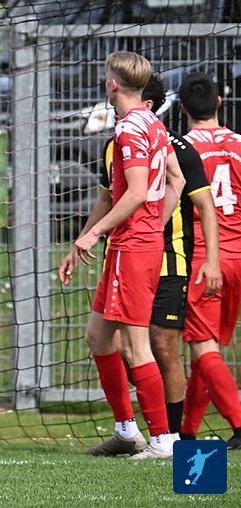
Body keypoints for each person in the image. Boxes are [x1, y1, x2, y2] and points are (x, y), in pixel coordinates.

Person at [59, 74, 222, 455]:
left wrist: (209, 258)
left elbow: (193, 200)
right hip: (128, 250)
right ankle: (130, 431)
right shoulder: (124, 138)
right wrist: (82, 240)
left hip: (167, 256)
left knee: (161, 346)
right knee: (101, 338)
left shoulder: (158, 138)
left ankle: (172, 438)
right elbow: (109, 198)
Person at [70, 52, 178, 459]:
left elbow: (135, 192)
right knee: (98, 338)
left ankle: (163, 440)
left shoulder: (130, 129)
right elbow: (176, 179)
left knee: (136, 347)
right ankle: (126, 430)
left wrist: (94, 232)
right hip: (135, 243)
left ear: (112, 84)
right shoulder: (152, 122)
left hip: (132, 246)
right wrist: (155, 223)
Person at [178, 72, 241, 448]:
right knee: (205, 352)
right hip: (239, 255)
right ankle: (188, 432)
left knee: (203, 347)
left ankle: (239, 422)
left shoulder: (183, 148)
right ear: (220, 102)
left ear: (182, 108)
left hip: (206, 258)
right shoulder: (240, 144)